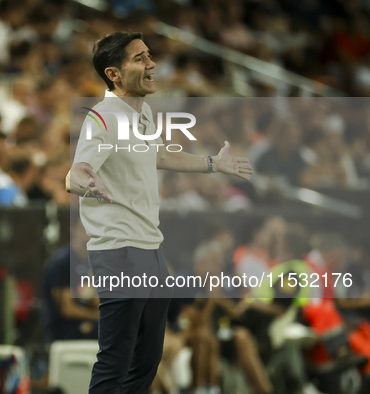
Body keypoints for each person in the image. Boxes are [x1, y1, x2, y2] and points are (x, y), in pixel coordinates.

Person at [66, 31, 253, 393]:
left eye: (149, 55)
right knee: (116, 357)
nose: (151, 64)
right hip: (119, 250)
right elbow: (77, 171)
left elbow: (160, 155)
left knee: (146, 362)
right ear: (114, 74)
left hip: (150, 249)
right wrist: (82, 181)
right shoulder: (103, 118)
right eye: (139, 58)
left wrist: (214, 163)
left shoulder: (143, 112)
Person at [43, 219, 99, 343]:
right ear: (73, 229)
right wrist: (99, 316)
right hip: (65, 337)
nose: (88, 235)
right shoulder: (62, 263)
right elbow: (67, 309)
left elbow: (96, 301)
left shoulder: (94, 263)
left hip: (92, 335)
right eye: (84, 229)